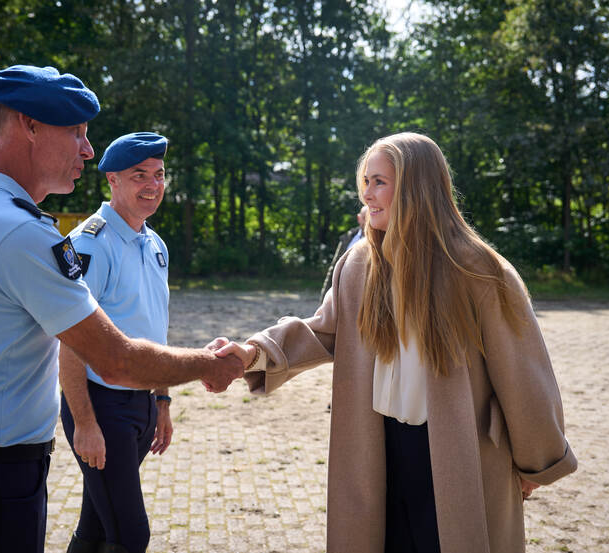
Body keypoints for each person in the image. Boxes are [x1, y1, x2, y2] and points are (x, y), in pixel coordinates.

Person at [0, 65, 243, 553]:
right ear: (30, 125)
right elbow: (116, 360)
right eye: (77, 133)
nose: (87, 149)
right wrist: (212, 364)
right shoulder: (20, 232)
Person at [213, 132, 577, 553]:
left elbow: (524, 375)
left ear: (418, 185)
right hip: (379, 452)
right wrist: (253, 352)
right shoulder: (359, 264)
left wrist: (538, 462)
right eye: (365, 181)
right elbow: (323, 330)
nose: (367, 194)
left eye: (379, 182)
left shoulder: (480, 271)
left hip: (460, 454)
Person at [61, 132, 175, 553]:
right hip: (100, 404)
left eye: (159, 175)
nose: (152, 184)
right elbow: (70, 339)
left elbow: (154, 328)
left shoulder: (155, 243)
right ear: (112, 179)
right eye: (139, 175)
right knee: (130, 536)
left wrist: (161, 402)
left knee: (94, 528)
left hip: (140, 405)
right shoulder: (90, 243)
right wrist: (85, 423)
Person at [320, 205, 367, 301]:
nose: (367, 221)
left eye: (369, 217)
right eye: (365, 218)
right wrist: (324, 297)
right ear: (359, 218)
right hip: (343, 291)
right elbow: (334, 267)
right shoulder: (348, 238)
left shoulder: (380, 241)